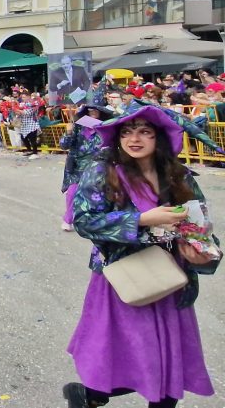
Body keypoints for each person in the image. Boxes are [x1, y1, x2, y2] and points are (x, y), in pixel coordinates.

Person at [64, 105, 218, 408]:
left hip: (170, 279)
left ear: (158, 137)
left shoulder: (179, 176)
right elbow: (83, 221)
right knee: (122, 360)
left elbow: (200, 227)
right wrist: (142, 219)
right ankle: (88, 396)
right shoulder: (103, 171)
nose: (134, 139)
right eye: (127, 132)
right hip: (126, 279)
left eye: (144, 131)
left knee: (167, 369)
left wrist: (204, 254)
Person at [58, 105, 113, 232]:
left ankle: (97, 221)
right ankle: (68, 219)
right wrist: (69, 132)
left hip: (98, 167)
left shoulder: (105, 128)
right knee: (72, 193)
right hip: (77, 167)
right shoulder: (78, 127)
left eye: (95, 110)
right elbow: (64, 146)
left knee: (98, 195)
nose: (92, 113)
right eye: (90, 111)